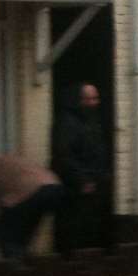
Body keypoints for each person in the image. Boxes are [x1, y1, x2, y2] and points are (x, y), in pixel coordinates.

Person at [0, 153, 66, 261]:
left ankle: (14, 265)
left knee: (1, 229)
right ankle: (26, 263)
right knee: (24, 231)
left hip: (30, 192)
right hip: (54, 187)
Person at [52, 82, 109, 252]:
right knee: (75, 226)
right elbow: (64, 154)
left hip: (93, 181)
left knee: (91, 225)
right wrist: (82, 179)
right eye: (88, 99)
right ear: (79, 100)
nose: (93, 103)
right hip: (75, 186)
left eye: (95, 98)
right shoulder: (68, 123)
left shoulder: (90, 121)